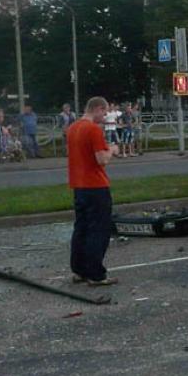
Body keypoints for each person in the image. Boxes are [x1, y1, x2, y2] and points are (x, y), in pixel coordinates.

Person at [67, 96, 120, 286]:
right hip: (96, 185)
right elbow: (101, 159)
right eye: (104, 112)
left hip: (78, 185)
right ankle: (96, 273)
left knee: (81, 228)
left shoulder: (72, 128)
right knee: (98, 230)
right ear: (97, 108)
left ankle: (79, 269)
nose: (105, 116)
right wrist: (112, 150)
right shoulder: (93, 129)